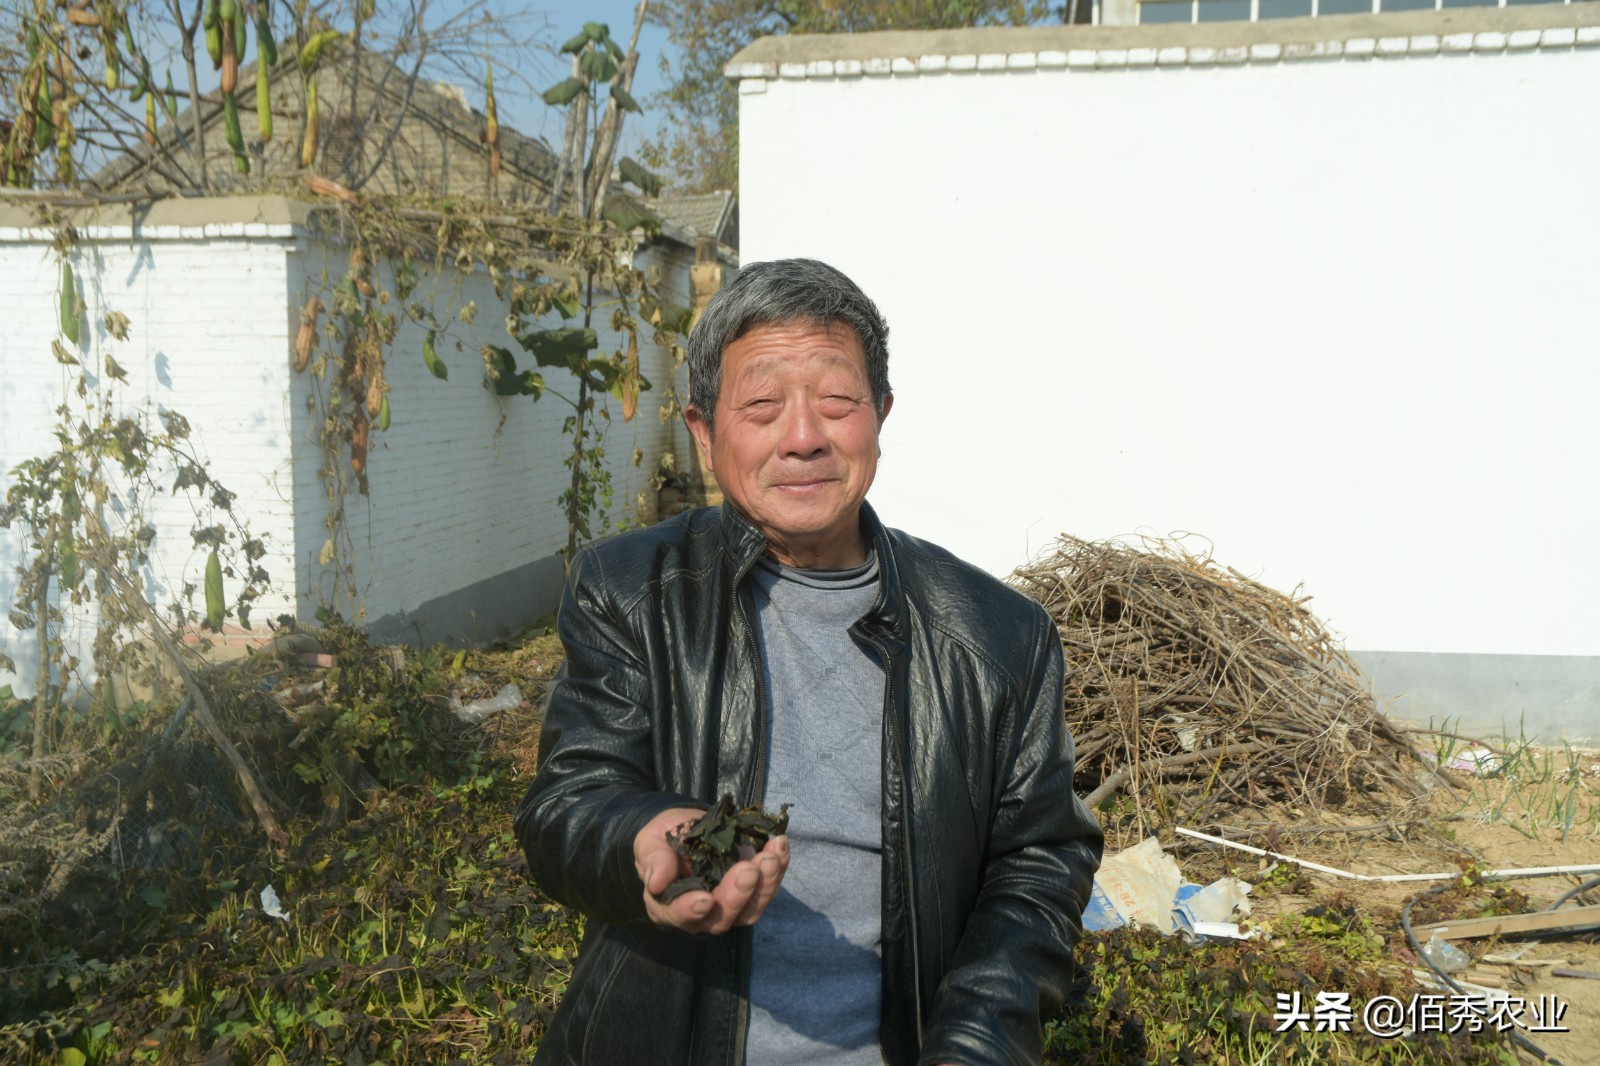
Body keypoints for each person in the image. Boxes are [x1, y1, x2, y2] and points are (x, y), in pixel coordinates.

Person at [514, 258, 1103, 1066]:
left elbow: (1039, 861)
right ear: (702, 431)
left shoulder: (1000, 637)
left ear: (881, 415)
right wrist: (644, 838)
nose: (803, 437)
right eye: (761, 406)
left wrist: (972, 1047)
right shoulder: (630, 591)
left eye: (837, 402)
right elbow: (567, 805)